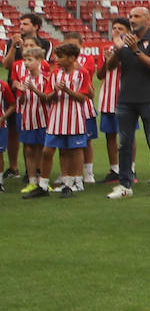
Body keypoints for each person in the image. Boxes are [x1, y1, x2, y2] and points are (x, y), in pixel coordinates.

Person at [109, 5, 150, 200]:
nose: (132, 19)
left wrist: (135, 50)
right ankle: (124, 184)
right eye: (131, 16)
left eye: (137, 16)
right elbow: (110, 67)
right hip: (125, 98)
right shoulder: (126, 40)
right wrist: (117, 51)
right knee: (124, 143)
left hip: (148, 98)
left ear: (148, 20)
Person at [36, 43, 91, 198]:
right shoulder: (55, 74)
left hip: (75, 119)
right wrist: (56, 91)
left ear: (72, 58)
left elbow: (84, 97)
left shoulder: (82, 74)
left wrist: (67, 90)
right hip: (55, 118)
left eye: (60, 57)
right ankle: (43, 186)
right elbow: (47, 97)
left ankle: (73, 184)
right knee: (47, 151)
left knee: (74, 150)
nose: (57, 60)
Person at [3, 13, 49, 179]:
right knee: (17, 131)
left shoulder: (45, 44)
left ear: (36, 26)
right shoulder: (13, 44)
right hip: (17, 96)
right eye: (20, 23)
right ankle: (16, 168)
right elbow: (6, 65)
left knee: (39, 136)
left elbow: (45, 69)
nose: (21, 26)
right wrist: (14, 46)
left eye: (25, 24)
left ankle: (39, 170)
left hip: (39, 100)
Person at [95, 18, 133, 184]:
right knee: (110, 135)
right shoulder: (107, 49)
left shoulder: (131, 49)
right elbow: (100, 74)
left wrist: (115, 56)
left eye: (120, 28)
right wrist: (105, 60)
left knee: (128, 135)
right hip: (108, 98)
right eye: (114, 28)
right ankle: (115, 169)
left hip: (125, 97)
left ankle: (131, 169)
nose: (116, 31)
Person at [15, 45, 52, 197]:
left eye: (29, 60)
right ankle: (31, 181)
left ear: (39, 61)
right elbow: (22, 101)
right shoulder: (23, 79)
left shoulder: (45, 79)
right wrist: (23, 92)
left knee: (43, 150)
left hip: (43, 119)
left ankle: (43, 181)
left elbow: (48, 99)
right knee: (29, 150)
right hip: (28, 119)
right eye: (25, 60)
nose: (26, 63)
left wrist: (34, 89)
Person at [62, 32, 99, 185]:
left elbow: (88, 77)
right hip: (67, 106)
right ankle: (67, 173)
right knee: (65, 141)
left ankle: (88, 172)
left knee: (87, 140)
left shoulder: (87, 59)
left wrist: (77, 67)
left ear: (80, 45)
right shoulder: (62, 60)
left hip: (85, 106)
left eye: (74, 45)